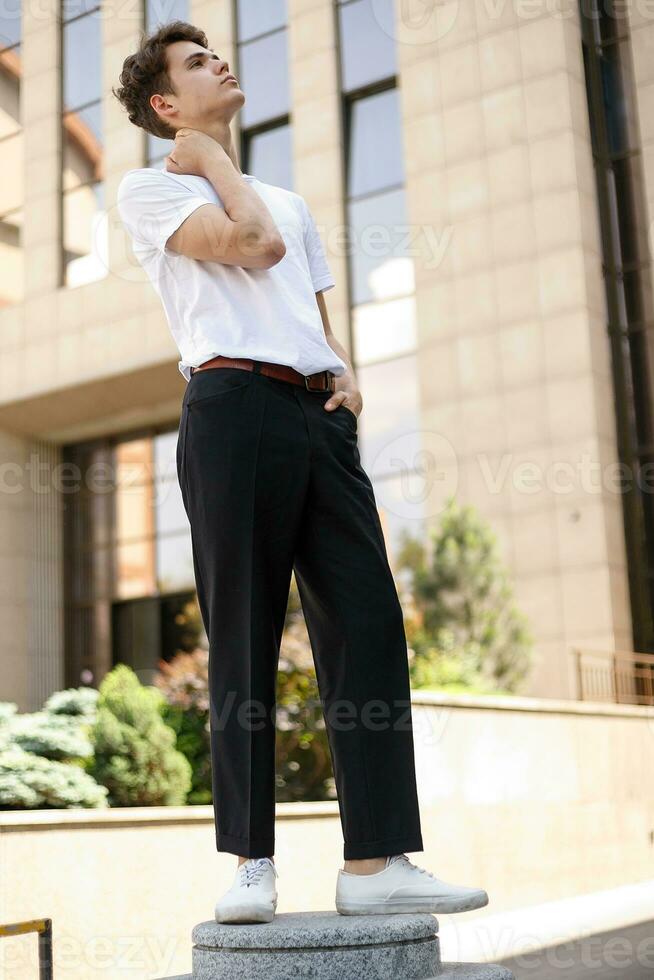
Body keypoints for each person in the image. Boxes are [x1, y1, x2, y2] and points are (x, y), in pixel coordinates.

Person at [113, 20, 489, 925]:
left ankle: (376, 862)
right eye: (199, 63)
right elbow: (253, 248)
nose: (223, 63)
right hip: (231, 409)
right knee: (241, 628)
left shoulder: (287, 196)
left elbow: (310, 304)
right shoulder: (149, 189)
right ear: (166, 106)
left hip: (315, 415)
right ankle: (249, 862)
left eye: (218, 54)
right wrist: (205, 158)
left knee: (367, 621)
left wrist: (347, 377)